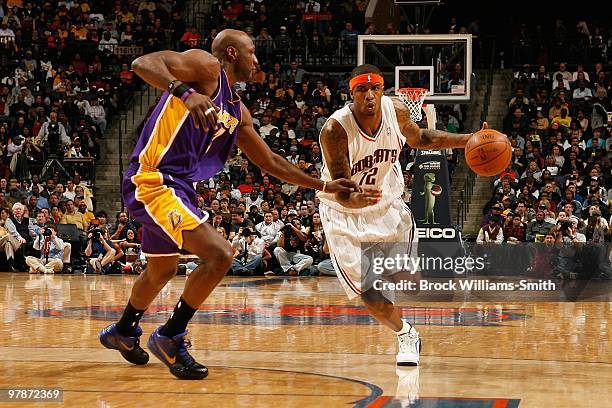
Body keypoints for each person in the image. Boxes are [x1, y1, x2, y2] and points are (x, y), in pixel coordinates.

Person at [99, 29, 359, 380]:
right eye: (253, 52)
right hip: (154, 178)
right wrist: (183, 91)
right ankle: (171, 336)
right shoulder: (205, 68)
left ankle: (124, 331)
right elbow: (144, 63)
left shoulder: (236, 110)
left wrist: (325, 184)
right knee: (221, 254)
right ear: (233, 53)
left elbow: (270, 162)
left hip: (179, 186)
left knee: (161, 270)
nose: (257, 60)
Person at [318, 64, 483, 366]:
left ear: (383, 90)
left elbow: (420, 138)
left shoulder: (396, 110)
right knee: (372, 297)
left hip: (386, 205)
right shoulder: (335, 129)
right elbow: (342, 190)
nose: (369, 95)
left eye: (375, 88)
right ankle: (406, 334)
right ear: (350, 94)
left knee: (411, 282)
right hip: (345, 214)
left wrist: (468, 139)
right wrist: (357, 199)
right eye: (361, 90)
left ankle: (384, 278)